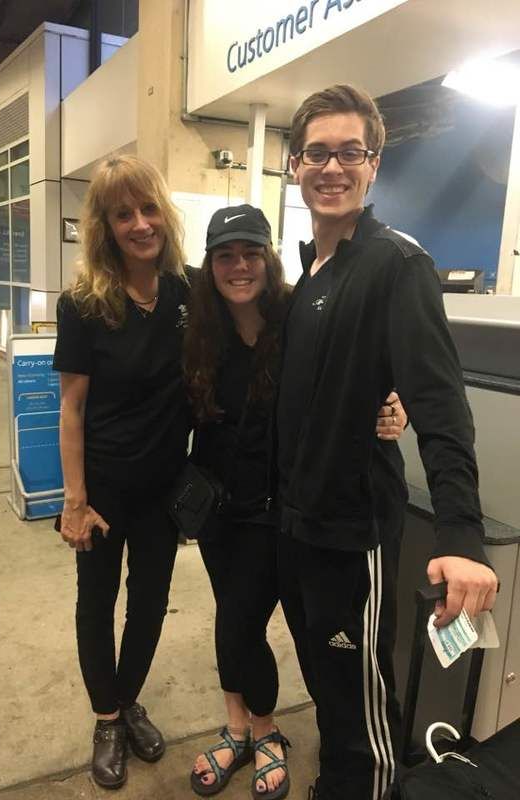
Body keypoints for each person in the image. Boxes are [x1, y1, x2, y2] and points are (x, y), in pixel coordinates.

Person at [276, 84, 499, 800]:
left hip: (351, 538)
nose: (332, 167)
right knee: (328, 694)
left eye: (351, 152)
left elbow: (440, 407)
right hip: (297, 529)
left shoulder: (396, 265)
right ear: (294, 164)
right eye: (318, 152)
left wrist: (462, 534)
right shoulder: (310, 270)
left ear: (374, 165)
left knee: (361, 711)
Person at [184, 205, 408, 799]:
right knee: (234, 627)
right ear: (210, 265)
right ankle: (242, 727)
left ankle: (265, 733)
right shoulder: (199, 330)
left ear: (269, 258)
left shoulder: (299, 318)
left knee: (255, 628)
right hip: (219, 515)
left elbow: (361, 365)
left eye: (251, 253)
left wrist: (393, 400)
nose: (239, 266)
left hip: (280, 511)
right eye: (226, 255)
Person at [52, 154, 191, 790]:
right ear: (105, 227)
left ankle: (128, 695)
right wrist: (74, 501)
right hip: (103, 488)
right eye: (122, 213)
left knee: (152, 603)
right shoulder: (84, 303)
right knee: (97, 602)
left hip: (165, 488)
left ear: (164, 213)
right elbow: (72, 408)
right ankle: (107, 717)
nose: (139, 223)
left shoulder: (188, 293)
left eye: (148, 208)